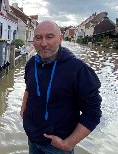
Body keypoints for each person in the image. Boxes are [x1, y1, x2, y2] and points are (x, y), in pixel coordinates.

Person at [20, 20, 102, 154]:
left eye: (50, 37)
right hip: (33, 139)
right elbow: (29, 88)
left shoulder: (78, 69)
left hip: (58, 146)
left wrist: (68, 143)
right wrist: (23, 109)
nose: (44, 43)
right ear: (33, 40)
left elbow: (93, 112)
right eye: (38, 38)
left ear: (60, 39)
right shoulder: (31, 63)